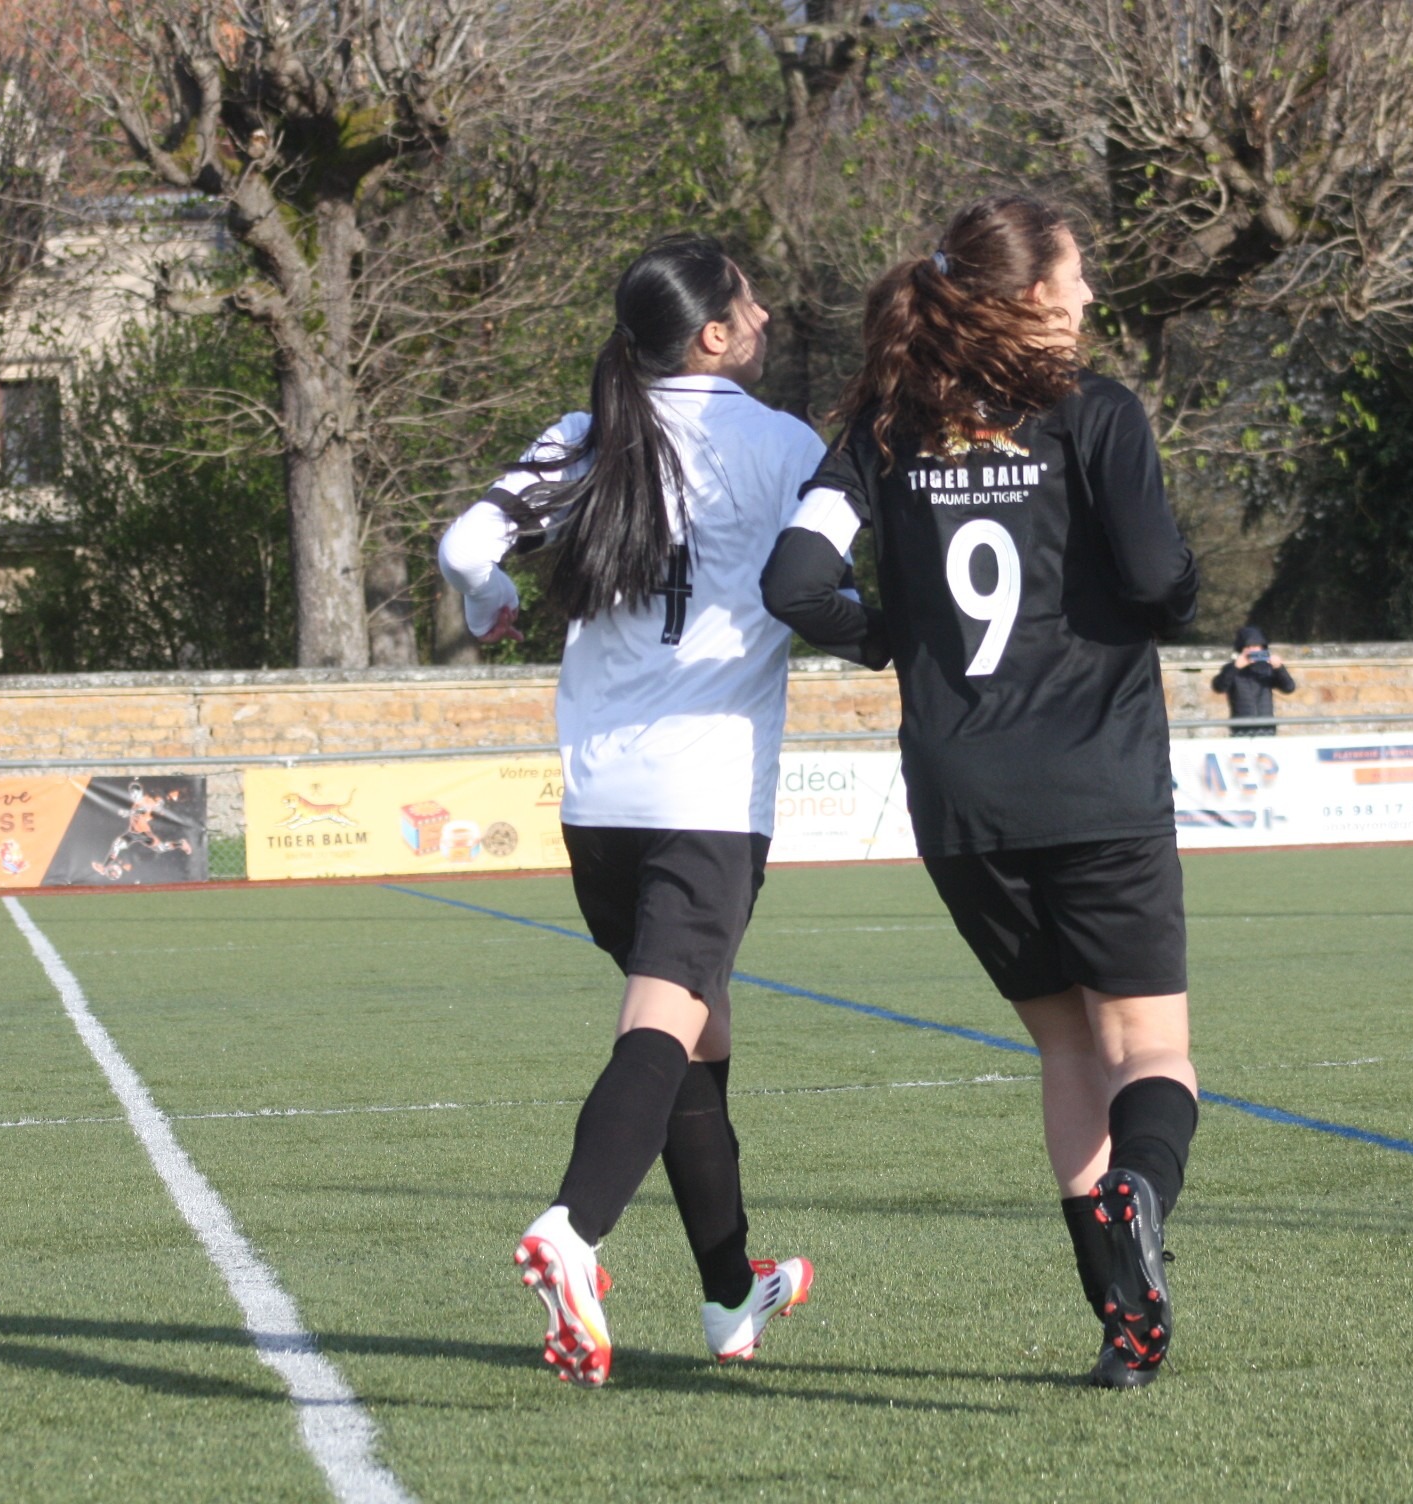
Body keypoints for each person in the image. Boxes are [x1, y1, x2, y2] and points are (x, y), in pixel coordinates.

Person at [758, 195, 1201, 1389]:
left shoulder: (884, 428)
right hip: (1098, 780)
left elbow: (795, 582)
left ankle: (1123, 1328)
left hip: (962, 798)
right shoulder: (1093, 411)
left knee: (1065, 1049)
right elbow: (1157, 576)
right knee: (1150, 1048)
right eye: (1078, 273)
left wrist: (888, 636)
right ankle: (1138, 1194)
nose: (1090, 293)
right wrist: (1175, 594)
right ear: (1033, 295)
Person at [437, 235, 823, 1388]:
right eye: (748, 303)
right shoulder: (784, 446)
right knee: (661, 1025)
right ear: (712, 334)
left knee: (698, 1032)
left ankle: (728, 1291)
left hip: (599, 801)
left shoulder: (585, 432)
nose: (764, 317)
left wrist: (489, 603)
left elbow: (465, 545)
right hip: (707, 797)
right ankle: (573, 1228)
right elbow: (834, 581)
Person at [1209, 625, 1296, 736]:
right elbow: (1219, 687)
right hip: (1241, 728)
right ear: (1241, 649)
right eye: (1247, 647)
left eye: (1255, 646)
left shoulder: (1268, 668)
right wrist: (1235, 667)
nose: (1251, 650)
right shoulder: (1231, 668)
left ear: (1262, 648)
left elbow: (1289, 688)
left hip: (1266, 727)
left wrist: (1279, 668)